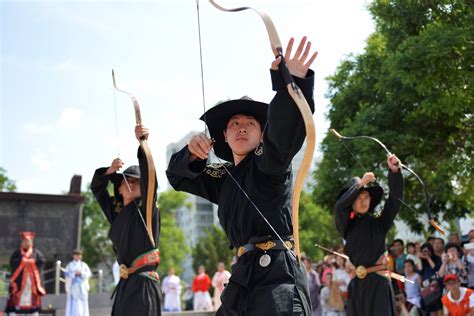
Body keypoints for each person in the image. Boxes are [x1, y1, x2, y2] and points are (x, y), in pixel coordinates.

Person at [167, 36, 317, 315]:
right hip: (242, 279)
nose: (241, 128)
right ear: (224, 134)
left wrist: (290, 84)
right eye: (234, 124)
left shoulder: (269, 161)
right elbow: (178, 177)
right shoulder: (224, 177)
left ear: (262, 134)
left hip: (277, 278)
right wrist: (190, 155)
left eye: (250, 123)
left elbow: (284, 131)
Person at [91, 124, 161, 316]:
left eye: (136, 181)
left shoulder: (147, 208)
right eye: (126, 181)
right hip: (124, 284)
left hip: (144, 285)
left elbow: (150, 177)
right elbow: (97, 190)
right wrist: (109, 171)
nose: (130, 184)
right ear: (119, 189)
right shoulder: (117, 211)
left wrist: (142, 143)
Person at [334, 154, 403, 316]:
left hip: (379, 284)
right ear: (352, 201)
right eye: (359, 197)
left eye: (366, 197)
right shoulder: (347, 225)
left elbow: (394, 201)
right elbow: (339, 207)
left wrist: (394, 172)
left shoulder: (379, 222)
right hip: (357, 286)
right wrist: (362, 183)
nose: (363, 201)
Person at [5, 232, 46, 316]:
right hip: (19, 283)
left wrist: (32, 263)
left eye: (28, 241)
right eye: (25, 241)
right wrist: (22, 262)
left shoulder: (36, 253)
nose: (27, 243)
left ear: (32, 242)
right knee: (16, 305)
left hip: (32, 283)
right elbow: (12, 263)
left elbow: (42, 262)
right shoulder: (17, 253)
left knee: (33, 307)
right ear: (22, 242)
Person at [65, 249, 91, 316]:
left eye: (79, 255)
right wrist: (74, 274)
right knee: (74, 303)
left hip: (82, 286)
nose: (77, 256)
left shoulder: (84, 265)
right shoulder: (70, 265)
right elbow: (66, 274)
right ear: (73, 256)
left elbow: (88, 273)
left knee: (83, 303)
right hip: (74, 286)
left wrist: (81, 273)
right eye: (76, 255)